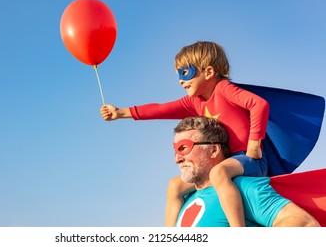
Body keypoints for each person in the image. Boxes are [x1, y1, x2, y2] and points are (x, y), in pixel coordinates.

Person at [100, 41, 269, 226]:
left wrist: (254, 145)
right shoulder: (194, 102)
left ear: (209, 72)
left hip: (248, 160)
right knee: (175, 186)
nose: (181, 80)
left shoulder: (223, 89)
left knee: (218, 173)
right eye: (178, 75)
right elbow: (160, 109)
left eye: (185, 72)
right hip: (223, 162)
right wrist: (120, 112)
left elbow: (258, 104)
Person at [172, 116, 320, 227]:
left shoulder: (243, 187)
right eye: (175, 150)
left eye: (184, 148)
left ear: (213, 150)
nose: (177, 159)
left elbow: (305, 224)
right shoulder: (185, 200)